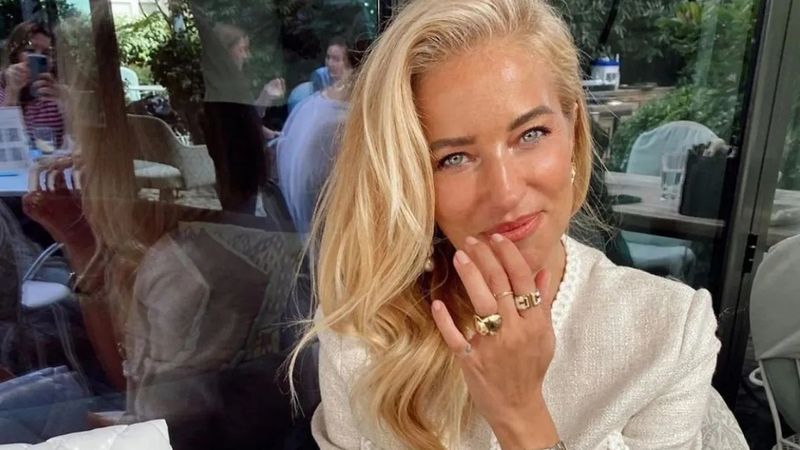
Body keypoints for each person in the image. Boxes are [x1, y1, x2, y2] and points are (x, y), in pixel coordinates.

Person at [290, 0, 747, 449]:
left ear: (573, 130)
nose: (505, 193)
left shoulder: (668, 334)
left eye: (531, 134)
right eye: (454, 158)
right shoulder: (364, 328)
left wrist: (520, 415)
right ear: (409, 179)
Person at [276, 38, 362, 234]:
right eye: (329, 58)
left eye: (336, 59)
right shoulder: (324, 109)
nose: (331, 64)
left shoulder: (341, 102)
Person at [0, 21, 64, 149]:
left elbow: (70, 145)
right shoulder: (2, 87)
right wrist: (11, 96)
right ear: (15, 53)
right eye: (30, 50)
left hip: (48, 159)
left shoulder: (55, 93)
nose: (38, 58)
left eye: (46, 53)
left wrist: (64, 104)